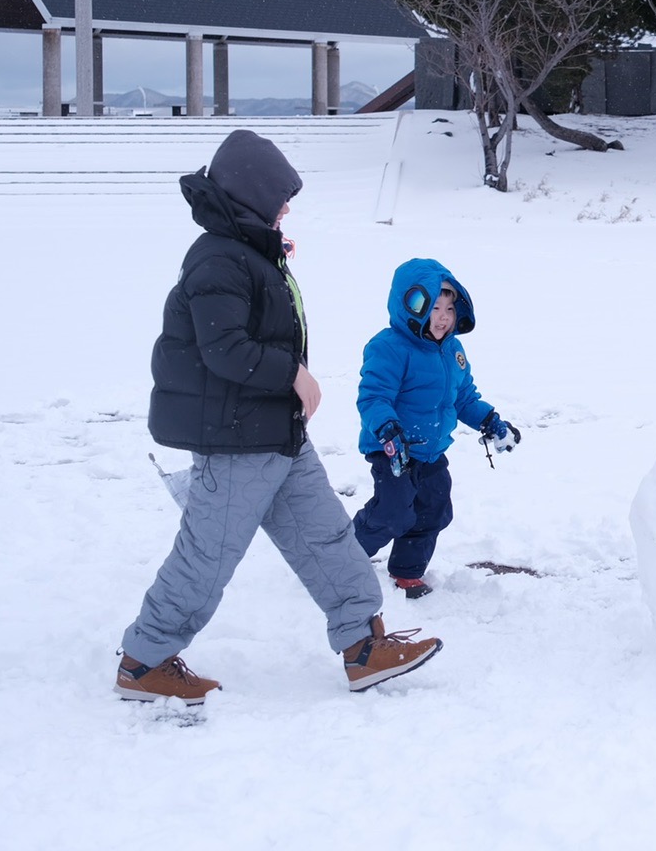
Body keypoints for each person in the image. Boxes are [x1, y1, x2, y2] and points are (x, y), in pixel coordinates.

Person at [116, 129, 442, 705]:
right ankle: (145, 659)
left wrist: (266, 255)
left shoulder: (242, 251)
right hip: (237, 438)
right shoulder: (217, 259)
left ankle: (364, 647)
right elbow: (226, 349)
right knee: (207, 556)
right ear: (250, 195)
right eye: (280, 195)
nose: (287, 206)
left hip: (278, 433)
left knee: (329, 539)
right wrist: (293, 373)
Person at [351, 259, 518, 599]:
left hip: (431, 451)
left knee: (434, 509)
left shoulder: (453, 351)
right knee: (393, 512)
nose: (443, 316)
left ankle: (407, 572)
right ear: (410, 305)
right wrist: (387, 428)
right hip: (392, 449)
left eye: (450, 308)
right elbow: (373, 396)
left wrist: (490, 421)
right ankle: (344, 556)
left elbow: (464, 398)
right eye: (434, 307)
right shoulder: (389, 347)